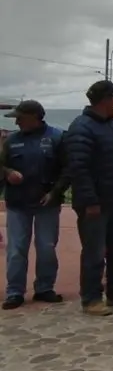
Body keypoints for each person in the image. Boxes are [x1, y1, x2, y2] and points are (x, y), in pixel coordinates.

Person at [65, 80, 113, 316]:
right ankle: (91, 298)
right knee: (94, 252)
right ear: (105, 99)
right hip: (95, 203)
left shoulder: (111, 125)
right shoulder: (82, 127)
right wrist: (90, 201)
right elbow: (79, 168)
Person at [0, 100, 69, 310]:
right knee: (16, 250)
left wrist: (55, 193)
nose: (17, 121)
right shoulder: (11, 141)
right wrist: (8, 173)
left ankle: (45, 288)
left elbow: (67, 170)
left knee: (46, 248)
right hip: (17, 204)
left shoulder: (57, 138)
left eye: (20, 117)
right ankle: (15, 292)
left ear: (34, 117)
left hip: (46, 204)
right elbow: (1, 166)